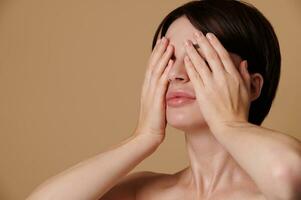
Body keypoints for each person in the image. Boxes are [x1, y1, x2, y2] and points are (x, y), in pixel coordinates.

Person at [26, 0, 301, 199]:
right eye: (167, 60)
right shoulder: (141, 192)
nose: (177, 75)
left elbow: (287, 174)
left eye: (200, 59)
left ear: (252, 86)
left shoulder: (271, 190)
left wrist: (230, 124)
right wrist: (142, 137)